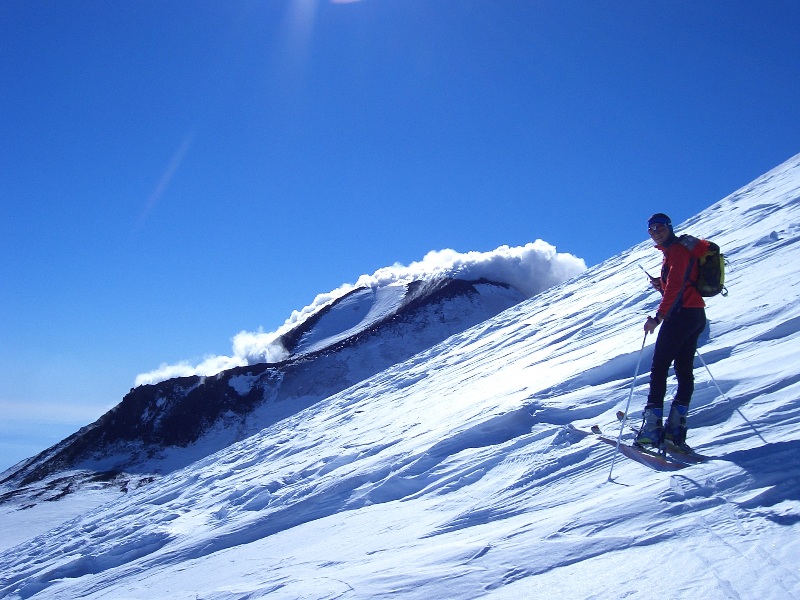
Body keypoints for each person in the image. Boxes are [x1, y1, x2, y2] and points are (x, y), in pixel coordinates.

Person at [636, 213, 708, 450]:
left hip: (681, 316)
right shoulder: (674, 252)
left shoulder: (676, 251)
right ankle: (675, 430)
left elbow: (676, 288)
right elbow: (680, 284)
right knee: (683, 370)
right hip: (695, 315)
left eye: (659, 227)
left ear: (669, 227)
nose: (655, 232)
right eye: (650, 230)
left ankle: (652, 430)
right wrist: (661, 284)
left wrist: (657, 318)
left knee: (659, 368)